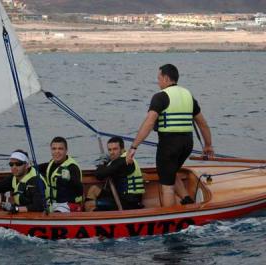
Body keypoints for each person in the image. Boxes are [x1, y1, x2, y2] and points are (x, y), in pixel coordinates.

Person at [126, 64, 214, 207]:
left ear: (166, 78)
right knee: (171, 171)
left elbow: (149, 122)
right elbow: (202, 124)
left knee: (167, 185)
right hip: (187, 144)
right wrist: (208, 145)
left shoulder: (160, 97)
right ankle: (187, 199)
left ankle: (172, 220)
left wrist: (134, 146)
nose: (158, 82)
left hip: (169, 145)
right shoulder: (188, 95)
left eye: (159, 78)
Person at [85, 136, 145, 211]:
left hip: (129, 203)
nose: (112, 153)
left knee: (89, 205)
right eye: (109, 150)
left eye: (115, 149)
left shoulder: (124, 161)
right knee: (93, 189)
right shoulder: (120, 160)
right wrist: (106, 163)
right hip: (120, 196)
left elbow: (99, 175)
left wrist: (102, 162)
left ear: (122, 150)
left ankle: (96, 221)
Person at [38, 136, 83, 212]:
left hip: (69, 205)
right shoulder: (51, 164)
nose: (57, 152)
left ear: (66, 150)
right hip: (52, 204)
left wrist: (70, 179)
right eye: (54, 149)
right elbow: (35, 168)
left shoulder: (72, 167)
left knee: (55, 214)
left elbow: (80, 190)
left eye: (60, 149)